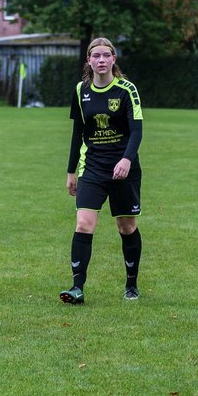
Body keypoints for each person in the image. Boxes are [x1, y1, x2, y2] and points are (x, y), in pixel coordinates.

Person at [60, 38, 144, 304]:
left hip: (122, 168)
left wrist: (127, 159)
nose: (101, 60)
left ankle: (131, 284)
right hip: (92, 167)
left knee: (126, 227)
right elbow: (77, 134)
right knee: (84, 223)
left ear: (113, 59)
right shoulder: (80, 90)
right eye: (95, 56)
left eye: (106, 55)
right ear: (89, 61)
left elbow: (137, 130)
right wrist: (71, 171)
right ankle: (77, 288)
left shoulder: (126, 90)